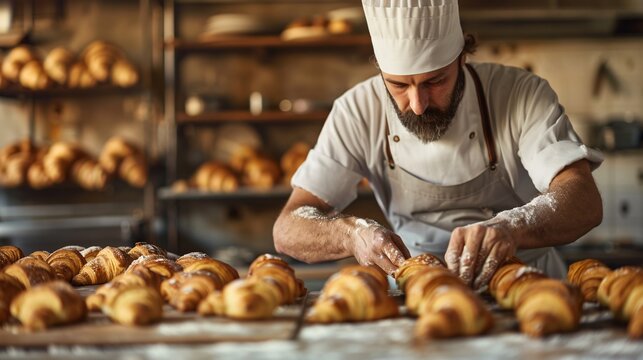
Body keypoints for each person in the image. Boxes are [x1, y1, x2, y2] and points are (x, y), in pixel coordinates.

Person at [273, 0, 603, 288]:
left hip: (527, 286)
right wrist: (351, 234)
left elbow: (584, 200)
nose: (417, 104)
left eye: (435, 81)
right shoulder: (357, 111)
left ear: (462, 58)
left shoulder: (519, 94)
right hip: (417, 294)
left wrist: (511, 227)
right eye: (399, 86)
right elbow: (287, 228)